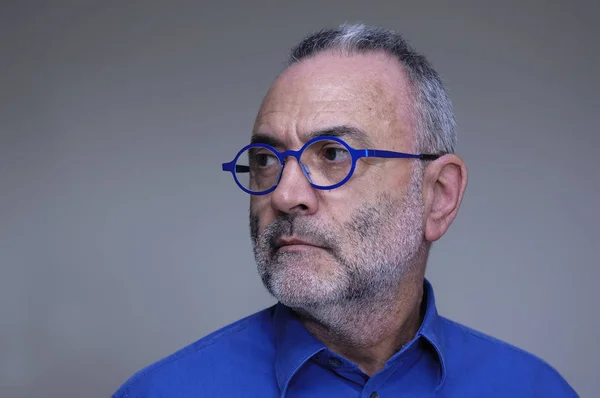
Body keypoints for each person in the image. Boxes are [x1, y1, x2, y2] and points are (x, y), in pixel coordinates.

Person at [113, 24, 578, 397]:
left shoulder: (535, 389)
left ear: (438, 195)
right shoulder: (162, 392)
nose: (284, 194)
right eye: (266, 160)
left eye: (334, 155)